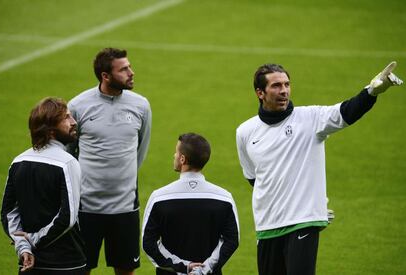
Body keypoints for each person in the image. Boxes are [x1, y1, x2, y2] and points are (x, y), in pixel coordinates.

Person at [235, 62, 403, 275]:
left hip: (303, 222)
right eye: (276, 86)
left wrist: (371, 92)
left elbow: (346, 112)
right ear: (260, 92)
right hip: (267, 227)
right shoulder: (245, 132)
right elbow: (255, 180)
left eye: (287, 84)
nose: (284, 90)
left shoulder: (310, 118)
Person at [67, 47, 152, 275]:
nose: (131, 72)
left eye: (129, 66)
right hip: (86, 207)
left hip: (125, 207)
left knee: (125, 270)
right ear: (106, 76)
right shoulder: (78, 106)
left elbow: (140, 150)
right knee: (80, 269)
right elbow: (68, 154)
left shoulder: (141, 105)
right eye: (123, 69)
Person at [1, 97, 85, 274]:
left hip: (29, 262)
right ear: (51, 131)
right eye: (66, 118)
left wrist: (23, 247)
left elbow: (8, 213)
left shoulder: (18, 161)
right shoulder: (68, 163)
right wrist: (33, 240)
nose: (74, 122)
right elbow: (68, 217)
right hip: (66, 262)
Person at [142, 133, 239, 275]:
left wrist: (184, 267)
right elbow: (231, 241)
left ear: (182, 159)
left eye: (176, 152)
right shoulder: (224, 198)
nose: (174, 155)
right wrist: (204, 268)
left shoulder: (159, 198)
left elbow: (149, 244)